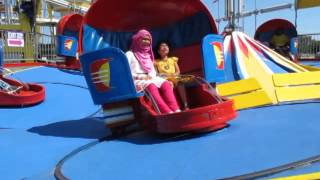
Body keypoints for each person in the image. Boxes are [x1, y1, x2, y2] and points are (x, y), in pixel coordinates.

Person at [125, 29, 181, 114]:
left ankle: (176, 109)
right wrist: (141, 76)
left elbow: (152, 71)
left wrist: (150, 76)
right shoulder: (130, 54)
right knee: (151, 86)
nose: (147, 42)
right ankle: (167, 112)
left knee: (166, 83)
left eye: (148, 40)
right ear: (137, 40)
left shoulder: (148, 55)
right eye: (144, 39)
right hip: (137, 80)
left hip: (150, 78)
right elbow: (125, 71)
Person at [154, 41, 190, 110]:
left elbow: (178, 71)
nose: (165, 47)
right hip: (164, 80)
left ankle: (185, 104)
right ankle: (174, 107)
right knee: (168, 84)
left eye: (166, 46)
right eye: (162, 46)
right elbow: (156, 74)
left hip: (174, 78)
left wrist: (172, 75)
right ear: (158, 51)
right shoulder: (156, 62)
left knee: (180, 82)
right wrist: (165, 77)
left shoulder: (173, 59)